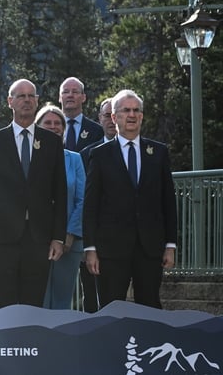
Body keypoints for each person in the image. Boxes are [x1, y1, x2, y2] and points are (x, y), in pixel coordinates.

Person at [0, 79, 67, 311]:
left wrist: (58, 237)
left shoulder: (52, 142)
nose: (26, 100)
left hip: (39, 238)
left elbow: (60, 192)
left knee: (33, 305)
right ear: (10, 102)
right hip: (1, 239)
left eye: (31, 96)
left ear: (37, 101)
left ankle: (31, 347)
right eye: (21, 96)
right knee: (1, 304)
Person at [83, 89, 177, 309]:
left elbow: (168, 202)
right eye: (126, 110)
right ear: (114, 117)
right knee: (111, 309)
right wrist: (90, 248)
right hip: (111, 249)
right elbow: (91, 205)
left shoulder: (159, 152)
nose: (132, 115)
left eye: (136, 110)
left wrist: (170, 245)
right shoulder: (99, 154)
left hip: (150, 248)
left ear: (142, 116)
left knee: (151, 307)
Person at [35, 104, 85, 310]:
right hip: (36, 240)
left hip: (69, 242)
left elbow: (82, 199)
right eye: (48, 123)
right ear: (37, 127)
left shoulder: (74, 159)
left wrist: (70, 232)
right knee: (38, 299)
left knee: (62, 301)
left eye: (58, 123)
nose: (53, 127)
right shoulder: (28, 158)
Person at [77, 97, 114, 312]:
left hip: (130, 239)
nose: (111, 119)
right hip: (95, 238)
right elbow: (84, 198)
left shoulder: (143, 151)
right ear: (99, 120)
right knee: (91, 296)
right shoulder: (87, 154)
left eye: (113, 114)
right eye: (106, 115)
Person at [59, 77, 104, 152]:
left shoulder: (97, 130)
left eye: (75, 92)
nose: (70, 95)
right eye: (65, 92)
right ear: (60, 98)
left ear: (83, 97)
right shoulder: (51, 127)